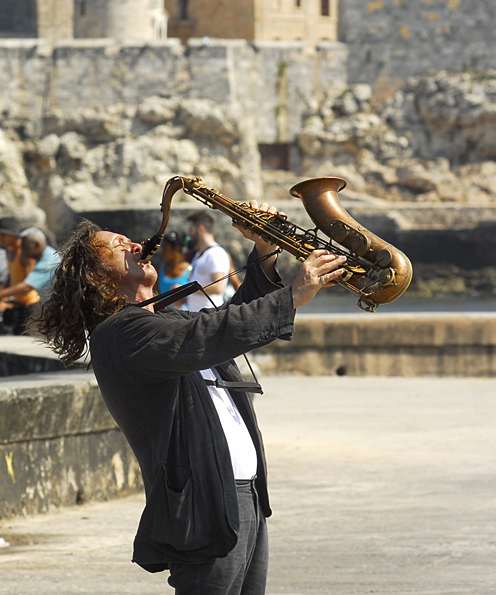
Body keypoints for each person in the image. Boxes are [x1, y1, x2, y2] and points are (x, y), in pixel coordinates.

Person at [31, 202, 347, 595]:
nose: (135, 245)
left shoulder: (164, 320)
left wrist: (266, 251)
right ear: (96, 277)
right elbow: (210, 334)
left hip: (242, 494)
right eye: (118, 245)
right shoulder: (119, 333)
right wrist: (295, 294)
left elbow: (231, 320)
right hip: (203, 504)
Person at [0, 226, 60, 330]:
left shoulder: (49, 261)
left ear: (36, 245)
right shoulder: (45, 256)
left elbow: (27, 286)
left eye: (24, 247)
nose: (22, 251)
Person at [0, 216, 37, 335]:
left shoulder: (25, 252)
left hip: (31, 307)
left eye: (3, 235)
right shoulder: (9, 251)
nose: (0, 238)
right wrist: (3, 298)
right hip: (17, 306)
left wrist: (3, 296)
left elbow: (29, 285)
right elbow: (11, 278)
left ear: (13, 235)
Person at [185, 211, 231, 311]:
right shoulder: (199, 255)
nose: (188, 234)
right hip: (197, 315)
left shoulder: (216, 253)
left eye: (191, 230)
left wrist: (186, 290)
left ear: (201, 229)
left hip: (209, 317)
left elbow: (218, 287)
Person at [156, 231, 192, 309]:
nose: (162, 252)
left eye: (165, 248)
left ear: (176, 249)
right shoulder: (160, 269)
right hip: (163, 317)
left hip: (184, 318)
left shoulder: (191, 271)